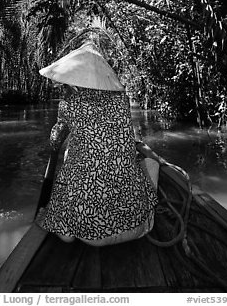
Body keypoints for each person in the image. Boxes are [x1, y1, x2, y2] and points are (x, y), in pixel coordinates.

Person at [36, 41, 158, 246]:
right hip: (136, 226)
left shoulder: (69, 105)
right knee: (151, 164)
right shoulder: (122, 101)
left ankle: (63, 225)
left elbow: (55, 140)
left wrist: (59, 132)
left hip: (89, 233)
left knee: (73, 163)